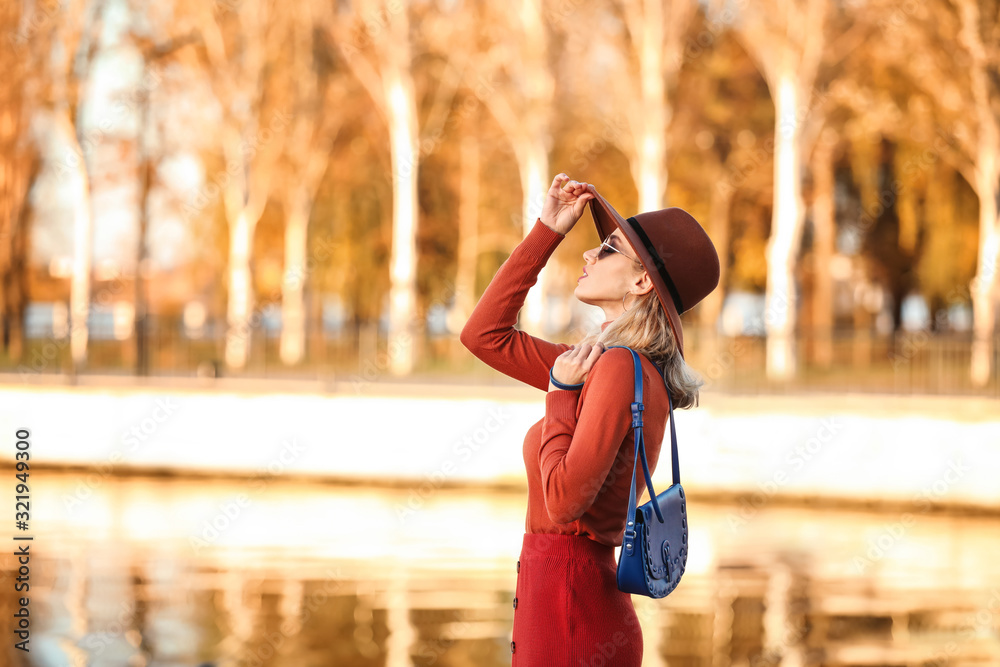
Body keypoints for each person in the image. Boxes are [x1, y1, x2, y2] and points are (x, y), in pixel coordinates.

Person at [460, 173, 720, 665]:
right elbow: (483, 336)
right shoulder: (600, 364)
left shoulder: (619, 369)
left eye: (606, 249)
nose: (587, 255)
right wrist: (546, 231)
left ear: (642, 280)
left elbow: (563, 502)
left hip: (573, 619)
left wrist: (560, 394)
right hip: (561, 611)